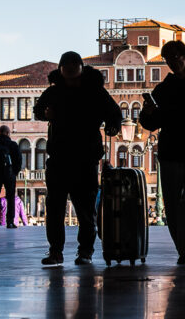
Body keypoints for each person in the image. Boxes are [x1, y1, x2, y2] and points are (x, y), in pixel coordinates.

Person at [35, 51, 124, 266]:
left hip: (85, 159)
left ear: (81, 69)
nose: (70, 75)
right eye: (67, 71)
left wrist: (113, 126)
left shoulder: (95, 91)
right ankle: (56, 251)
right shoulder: (54, 91)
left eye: (73, 71)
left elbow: (114, 113)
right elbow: (38, 110)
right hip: (59, 157)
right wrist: (45, 114)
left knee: (85, 209)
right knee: (55, 208)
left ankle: (85, 250)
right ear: (61, 71)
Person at [139, 40, 185, 264]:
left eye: (176, 57)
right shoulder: (162, 90)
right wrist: (148, 112)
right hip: (171, 153)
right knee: (172, 204)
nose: (173, 61)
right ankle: (184, 249)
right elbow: (150, 124)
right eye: (168, 58)